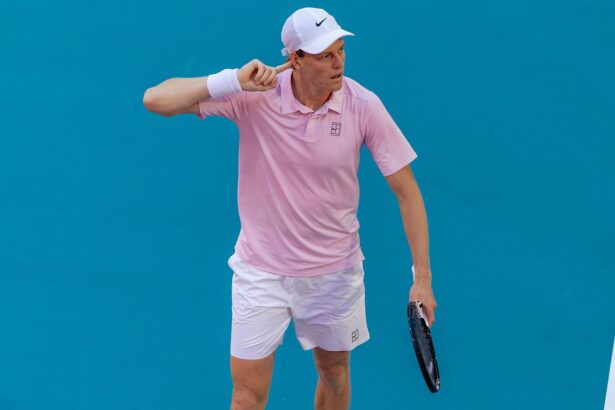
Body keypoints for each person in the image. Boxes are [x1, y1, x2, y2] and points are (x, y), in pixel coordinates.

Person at [143, 7, 436, 410]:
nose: (338, 62)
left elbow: (408, 193)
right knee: (246, 396)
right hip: (260, 273)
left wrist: (422, 278)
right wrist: (232, 80)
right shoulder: (253, 97)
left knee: (334, 374)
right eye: (324, 55)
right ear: (295, 59)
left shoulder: (363, 105)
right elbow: (155, 100)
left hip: (335, 274)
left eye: (340, 51)